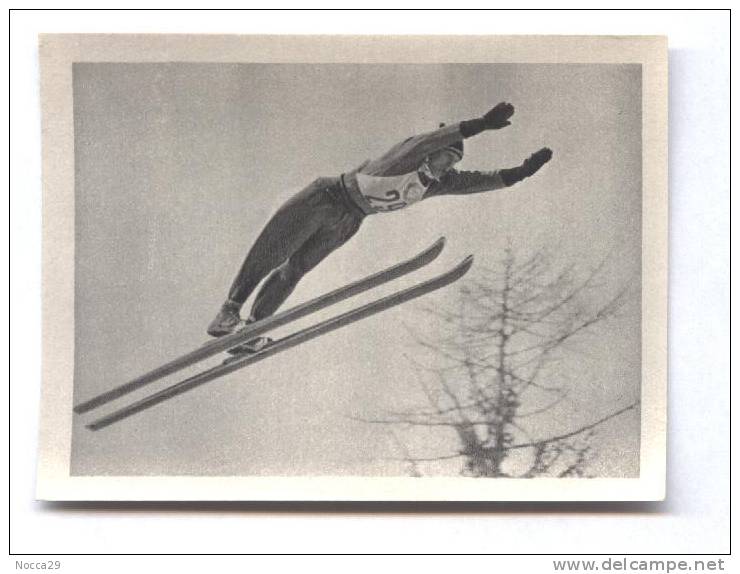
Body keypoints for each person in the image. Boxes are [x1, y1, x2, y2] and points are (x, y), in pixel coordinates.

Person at [208, 102, 553, 352]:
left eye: (453, 164)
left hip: (349, 221)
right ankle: (229, 311)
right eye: (445, 159)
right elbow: (427, 141)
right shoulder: (405, 158)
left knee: (295, 269)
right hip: (326, 197)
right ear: (432, 155)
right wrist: (478, 125)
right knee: (276, 251)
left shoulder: (434, 184)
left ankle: (254, 328)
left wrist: (519, 174)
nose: (446, 169)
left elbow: (475, 182)